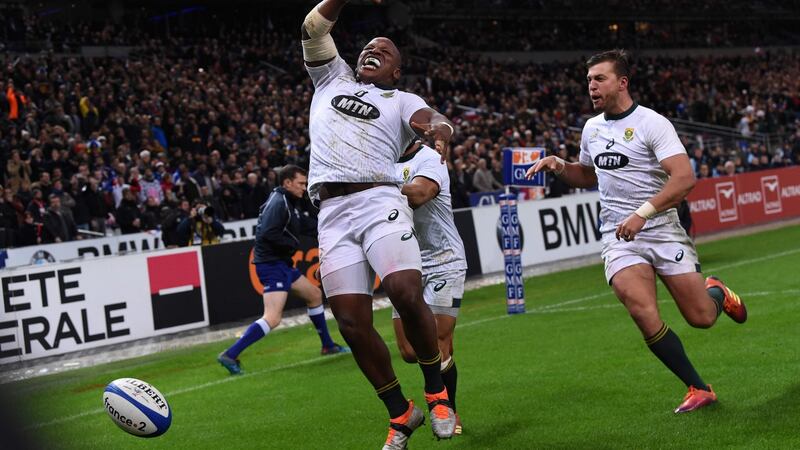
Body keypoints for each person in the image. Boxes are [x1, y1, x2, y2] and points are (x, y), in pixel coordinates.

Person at [526, 49, 747, 414]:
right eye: (589, 81)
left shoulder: (652, 123)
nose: (592, 86)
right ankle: (698, 387)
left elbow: (684, 179)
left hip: (661, 230)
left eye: (600, 79)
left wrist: (643, 213)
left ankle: (717, 292)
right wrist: (560, 166)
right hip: (619, 236)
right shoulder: (591, 128)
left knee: (701, 318)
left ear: (622, 82)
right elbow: (588, 174)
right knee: (641, 310)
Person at [301, 0, 457, 446]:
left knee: (405, 290)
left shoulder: (401, 99)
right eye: (369, 47)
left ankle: (435, 390)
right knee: (350, 322)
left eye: (384, 52)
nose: (373, 51)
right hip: (331, 212)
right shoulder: (331, 78)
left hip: (378, 198)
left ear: (394, 73)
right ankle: (400, 413)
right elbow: (313, 27)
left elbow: (432, 118)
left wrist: (441, 130)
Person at [218, 165, 349, 375]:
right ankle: (230, 354)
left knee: (314, 295)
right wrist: (291, 245)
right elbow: (267, 233)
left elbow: (307, 225)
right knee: (272, 317)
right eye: (300, 183)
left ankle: (328, 346)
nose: (304, 188)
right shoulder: (279, 203)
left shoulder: (288, 203)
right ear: (287, 183)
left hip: (282, 264)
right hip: (272, 265)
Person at [394, 140, 468, 435]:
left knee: (436, 342)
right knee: (409, 351)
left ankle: (449, 409)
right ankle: (444, 381)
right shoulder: (382, 161)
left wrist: (377, 188)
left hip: (443, 259)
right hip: (405, 261)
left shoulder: (430, 157)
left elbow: (421, 193)